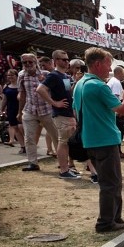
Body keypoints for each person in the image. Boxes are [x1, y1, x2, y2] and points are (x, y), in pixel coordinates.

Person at [72, 48, 124, 232]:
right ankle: (106, 222)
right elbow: (122, 110)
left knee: (111, 181)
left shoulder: (80, 84)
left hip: (91, 138)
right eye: (108, 63)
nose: (110, 68)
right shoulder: (98, 86)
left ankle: (115, 217)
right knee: (111, 183)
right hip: (104, 139)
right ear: (98, 64)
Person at [37, 50, 79, 179]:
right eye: (63, 59)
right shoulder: (54, 75)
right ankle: (64, 170)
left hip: (68, 113)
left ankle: (67, 168)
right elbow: (40, 89)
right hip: (60, 113)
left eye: (67, 60)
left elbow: (67, 93)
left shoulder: (65, 76)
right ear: (55, 61)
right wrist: (54, 103)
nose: (66, 62)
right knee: (63, 142)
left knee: (67, 142)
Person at [18, 53, 61, 172]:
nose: (27, 64)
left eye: (30, 62)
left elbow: (55, 91)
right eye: (24, 62)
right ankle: (33, 163)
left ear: (35, 62)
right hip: (30, 109)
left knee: (56, 136)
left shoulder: (46, 74)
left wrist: (55, 104)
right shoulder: (21, 75)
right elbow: (22, 94)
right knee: (29, 138)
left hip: (46, 110)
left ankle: (62, 161)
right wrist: (19, 111)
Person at [1, 69, 24, 149]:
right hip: (11, 109)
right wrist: (2, 109)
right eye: (8, 75)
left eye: (12, 75)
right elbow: (4, 99)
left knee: (21, 127)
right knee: (15, 128)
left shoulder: (21, 85)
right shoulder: (6, 86)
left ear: (17, 76)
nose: (10, 77)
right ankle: (23, 146)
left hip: (21, 108)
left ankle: (28, 144)